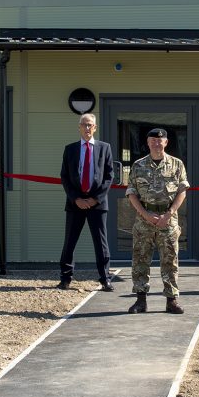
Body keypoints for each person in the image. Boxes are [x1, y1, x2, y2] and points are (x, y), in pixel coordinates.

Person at [125, 128, 189, 315]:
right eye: (153, 140)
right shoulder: (138, 165)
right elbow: (131, 193)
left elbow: (182, 192)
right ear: (148, 142)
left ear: (166, 142)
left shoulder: (177, 164)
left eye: (160, 140)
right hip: (144, 219)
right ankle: (140, 301)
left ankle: (171, 301)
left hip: (167, 220)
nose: (156, 143)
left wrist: (168, 214)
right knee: (140, 260)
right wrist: (145, 214)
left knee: (170, 261)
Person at [57, 113, 115, 291]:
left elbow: (109, 176)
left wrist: (94, 199)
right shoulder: (70, 149)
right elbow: (65, 177)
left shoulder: (104, 148)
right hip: (75, 204)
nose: (87, 128)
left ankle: (105, 278)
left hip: (97, 204)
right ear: (79, 127)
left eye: (90, 125)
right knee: (70, 241)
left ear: (95, 128)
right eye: (84, 125)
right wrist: (76, 198)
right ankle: (65, 278)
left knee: (101, 242)